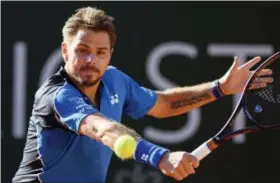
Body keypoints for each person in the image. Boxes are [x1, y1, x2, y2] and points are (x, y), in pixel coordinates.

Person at [12, 6, 273, 183]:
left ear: (109, 55)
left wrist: (220, 88)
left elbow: (164, 104)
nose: (91, 59)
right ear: (65, 52)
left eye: (100, 52)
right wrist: (161, 157)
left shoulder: (115, 80)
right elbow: (103, 130)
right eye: (82, 50)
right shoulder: (58, 96)